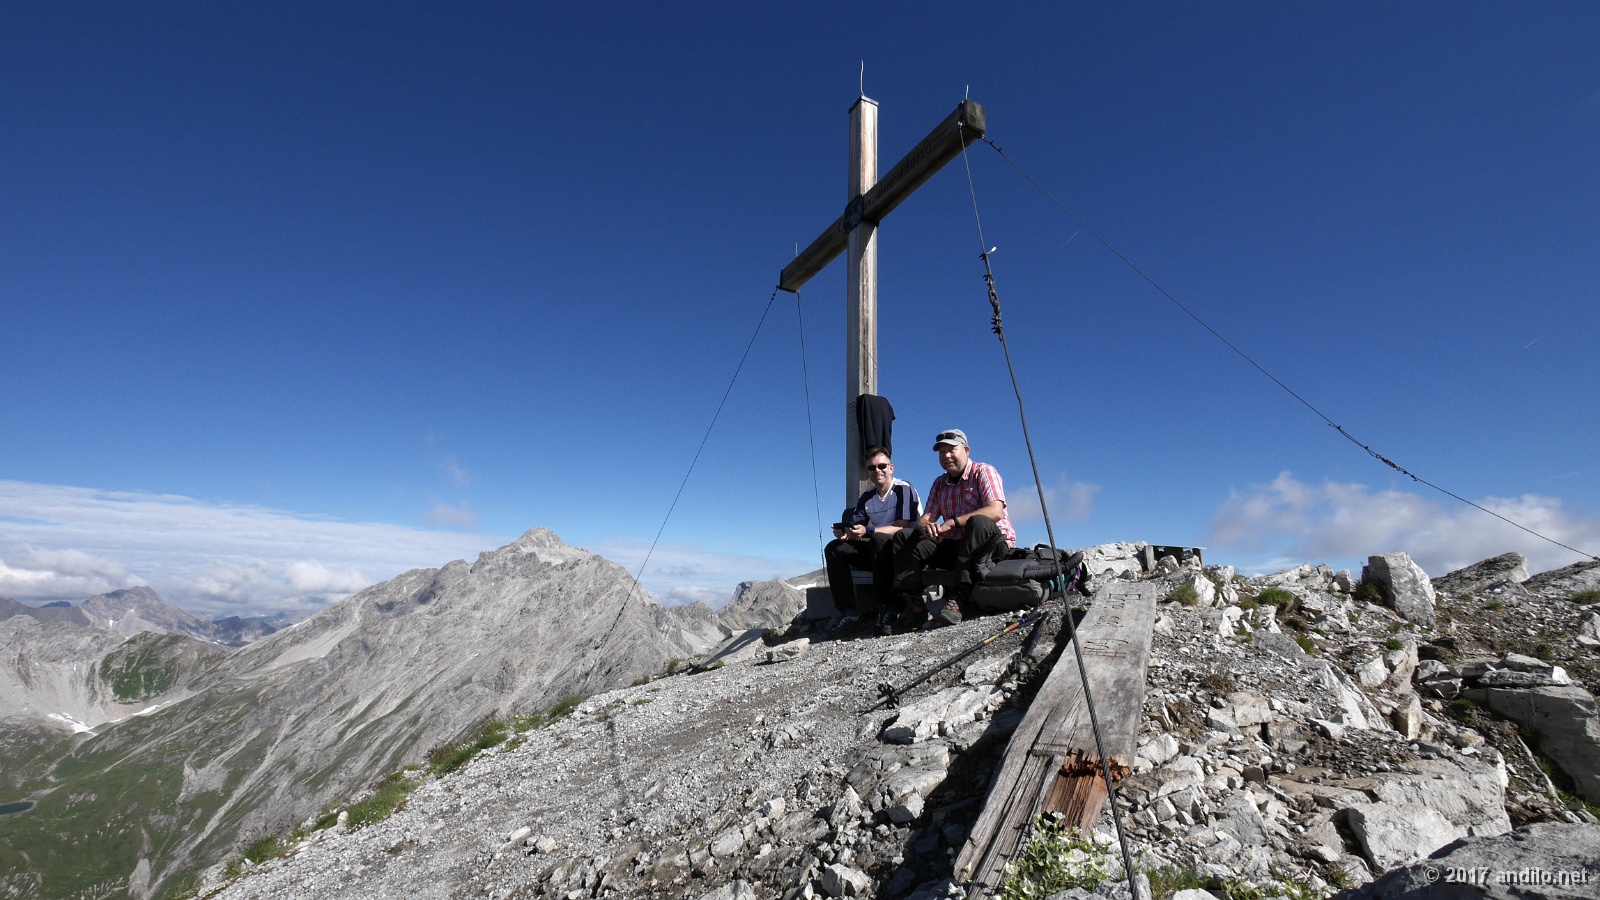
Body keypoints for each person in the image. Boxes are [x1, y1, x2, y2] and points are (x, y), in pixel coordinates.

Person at [890, 428, 1016, 628]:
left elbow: (996, 511)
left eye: (951, 450)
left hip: (990, 546)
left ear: (966, 450)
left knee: (978, 522)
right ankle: (914, 605)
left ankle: (959, 597)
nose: (946, 455)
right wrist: (928, 527)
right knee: (904, 537)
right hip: (956, 546)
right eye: (942, 452)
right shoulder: (940, 483)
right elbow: (925, 518)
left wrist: (952, 522)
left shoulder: (984, 471)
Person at [823, 445, 921, 629]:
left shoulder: (903, 489)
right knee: (834, 548)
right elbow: (856, 525)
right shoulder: (867, 497)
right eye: (872, 467)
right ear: (868, 472)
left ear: (891, 468)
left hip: (904, 551)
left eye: (882, 466)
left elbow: (902, 526)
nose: (877, 470)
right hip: (879, 551)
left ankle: (887, 608)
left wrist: (868, 531)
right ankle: (849, 612)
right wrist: (846, 533)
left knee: (878, 539)